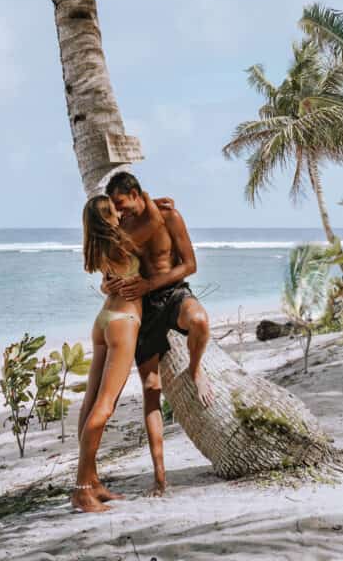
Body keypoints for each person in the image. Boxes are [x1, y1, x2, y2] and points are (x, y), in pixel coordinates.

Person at [104, 172, 214, 496]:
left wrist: (152, 282)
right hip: (143, 308)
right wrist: (108, 285)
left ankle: (195, 368)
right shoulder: (120, 231)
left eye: (123, 205)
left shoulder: (168, 216)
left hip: (174, 292)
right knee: (151, 389)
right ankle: (160, 477)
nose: (120, 213)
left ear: (137, 194)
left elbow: (190, 264)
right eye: (115, 208)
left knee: (201, 322)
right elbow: (107, 276)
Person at [71, 191, 164, 513]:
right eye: (114, 210)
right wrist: (148, 197)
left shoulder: (99, 246)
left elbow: (107, 281)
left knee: (91, 402)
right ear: (107, 218)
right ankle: (83, 488)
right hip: (123, 323)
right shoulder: (123, 242)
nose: (120, 213)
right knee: (105, 406)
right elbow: (154, 220)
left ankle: (92, 480)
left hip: (103, 321)